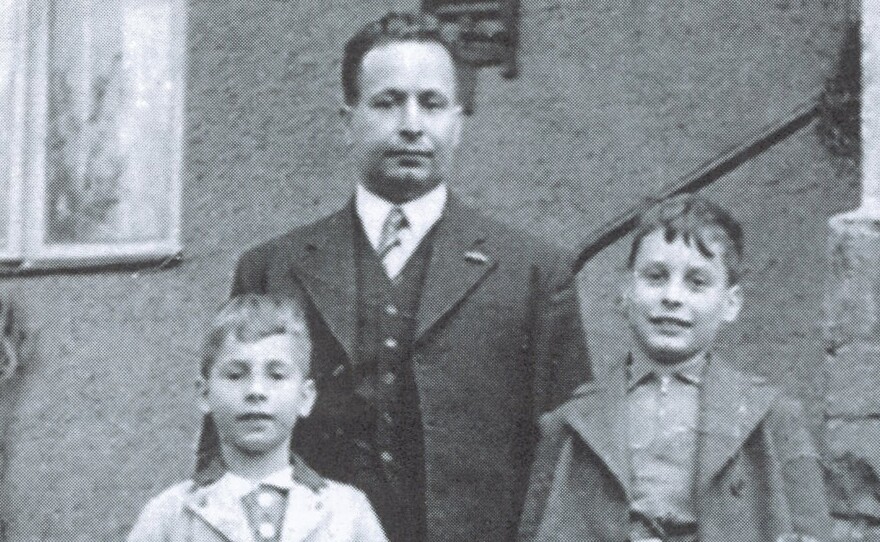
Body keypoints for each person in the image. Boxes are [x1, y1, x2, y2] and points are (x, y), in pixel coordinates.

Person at [207, 12, 590, 541]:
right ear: (348, 121)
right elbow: (222, 454)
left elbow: (568, 470)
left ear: (458, 121)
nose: (412, 124)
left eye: (431, 103)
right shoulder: (272, 268)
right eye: (387, 102)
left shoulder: (532, 273)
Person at [518, 194, 831, 542]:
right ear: (625, 290)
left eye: (697, 282)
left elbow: (812, 532)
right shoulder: (572, 422)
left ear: (731, 303)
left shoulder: (772, 418)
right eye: (655, 277)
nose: (672, 297)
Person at [128, 294, 387, 542]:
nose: (256, 391)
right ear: (205, 394)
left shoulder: (346, 511)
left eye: (276, 376)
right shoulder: (171, 515)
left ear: (305, 397)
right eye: (236, 375)